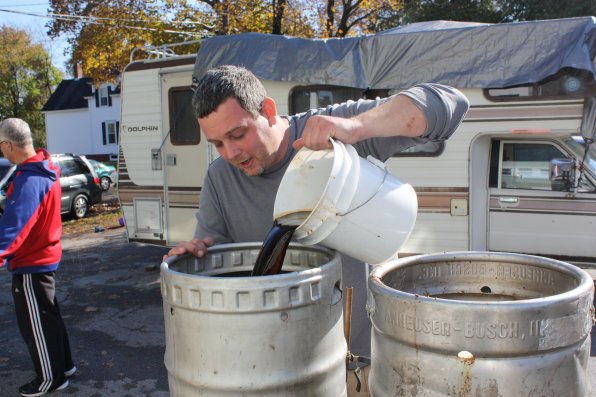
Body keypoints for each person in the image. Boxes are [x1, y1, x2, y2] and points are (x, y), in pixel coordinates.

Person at [165, 65, 470, 357]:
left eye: (238, 135)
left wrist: (357, 127)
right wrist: (197, 253)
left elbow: (450, 104)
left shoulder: (331, 130)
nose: (230, 153)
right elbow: (217, 255)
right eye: (217, 143)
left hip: (365, 353)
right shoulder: (220, 177)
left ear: (269, 111)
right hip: (283, 358)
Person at [0, 118, 75, 396]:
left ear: (8, 145)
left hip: (31, 264)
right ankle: (64, 367)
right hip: (42, 258)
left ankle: (51, 379)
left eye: (0, 146)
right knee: (48, 318)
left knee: (36, 327)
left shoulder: (30, 179)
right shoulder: (42, 170)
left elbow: (15, 225)